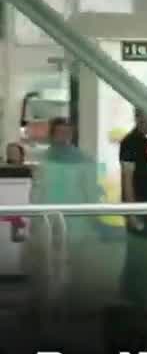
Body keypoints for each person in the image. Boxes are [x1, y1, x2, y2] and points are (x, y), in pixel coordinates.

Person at [29, 118, 100, 310]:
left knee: (75, 263)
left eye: (66, 132)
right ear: (52, 134)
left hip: (76, 220)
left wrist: (93, 217)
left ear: (72, 134)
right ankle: (49, 305)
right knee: (48, 264)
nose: (63, 136)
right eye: (59, 132)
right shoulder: (43, 160)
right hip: (48, 218)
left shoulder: (84, 160)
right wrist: (34, 217)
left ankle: (74, 304)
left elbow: (90, 191)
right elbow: (37, 190)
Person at [119, 108, 147, 309]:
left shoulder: (141, 141)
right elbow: (127, 179)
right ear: (138, 118)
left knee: (143, 258)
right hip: (138, 210)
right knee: (139, 259)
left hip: (145, 209)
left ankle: (138, 304)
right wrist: (132, 213)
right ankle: (133, 305)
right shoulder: (130, 142)